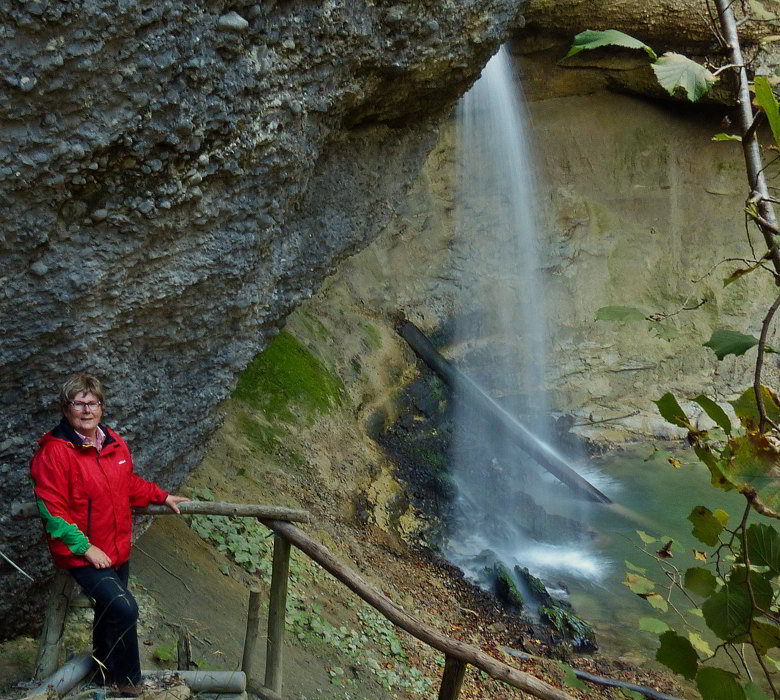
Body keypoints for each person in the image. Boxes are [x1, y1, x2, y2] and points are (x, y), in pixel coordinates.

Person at [30, 373, 189, 697]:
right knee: (124, 608)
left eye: (93, 403)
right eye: (79, 403)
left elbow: (126, 483)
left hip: (116, 547)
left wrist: (160, 496)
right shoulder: (55, 452)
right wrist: (86, 549)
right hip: (82, 551)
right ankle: (129, 684)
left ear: (102, 407)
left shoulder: (113, 442)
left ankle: (102, 678)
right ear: (66, 408)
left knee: (108, 613)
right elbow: (52, 511)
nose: (87, 410)